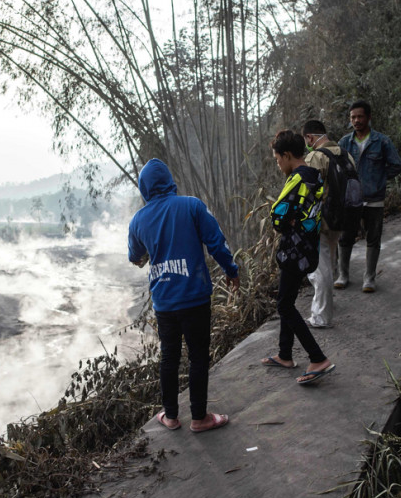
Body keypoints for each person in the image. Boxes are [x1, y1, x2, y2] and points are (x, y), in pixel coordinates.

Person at [128, 158, 239, 433]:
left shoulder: (139, 220)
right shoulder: (191, 206)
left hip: (164, 301)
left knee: (169, 357)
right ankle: (200, 418)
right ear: (169, 180)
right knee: (198, 356)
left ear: (145, 188)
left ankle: (171, 416)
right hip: (194, 296)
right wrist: (231, 270)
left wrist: (146, 256)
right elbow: (216, 242)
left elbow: (135, 257)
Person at [261, 130, 336, 385]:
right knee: (288, 299)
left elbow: (278, 217)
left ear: (287, 155)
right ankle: (285, 355)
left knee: (284, 305)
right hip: (308, 247)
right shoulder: (314, 174)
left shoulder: (297, 178)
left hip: (294, 249)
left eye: (277, 158)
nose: (277, 163)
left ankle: (317, 358)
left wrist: (284, 219)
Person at [337, 100, 401, 292]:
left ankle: (369, 278)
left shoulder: (381, 141)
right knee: (345, 237)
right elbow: (338, 167)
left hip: (374, 199)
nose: (356, 121)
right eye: (353, 117)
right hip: (350, 200)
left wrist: (379, 179)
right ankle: (343, 275)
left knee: (373, 238)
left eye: (360, 116)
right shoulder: (345, 142)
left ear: (369, 117)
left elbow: (396, 165)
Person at [302, 119, 345, 326]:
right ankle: (327, 307)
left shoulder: (315, 157)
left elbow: (307, 191)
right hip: (342, 217)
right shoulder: (344, 153)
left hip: (322, 219)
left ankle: (321, 316)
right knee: (330, 262)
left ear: (310, 138)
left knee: (320, 268)